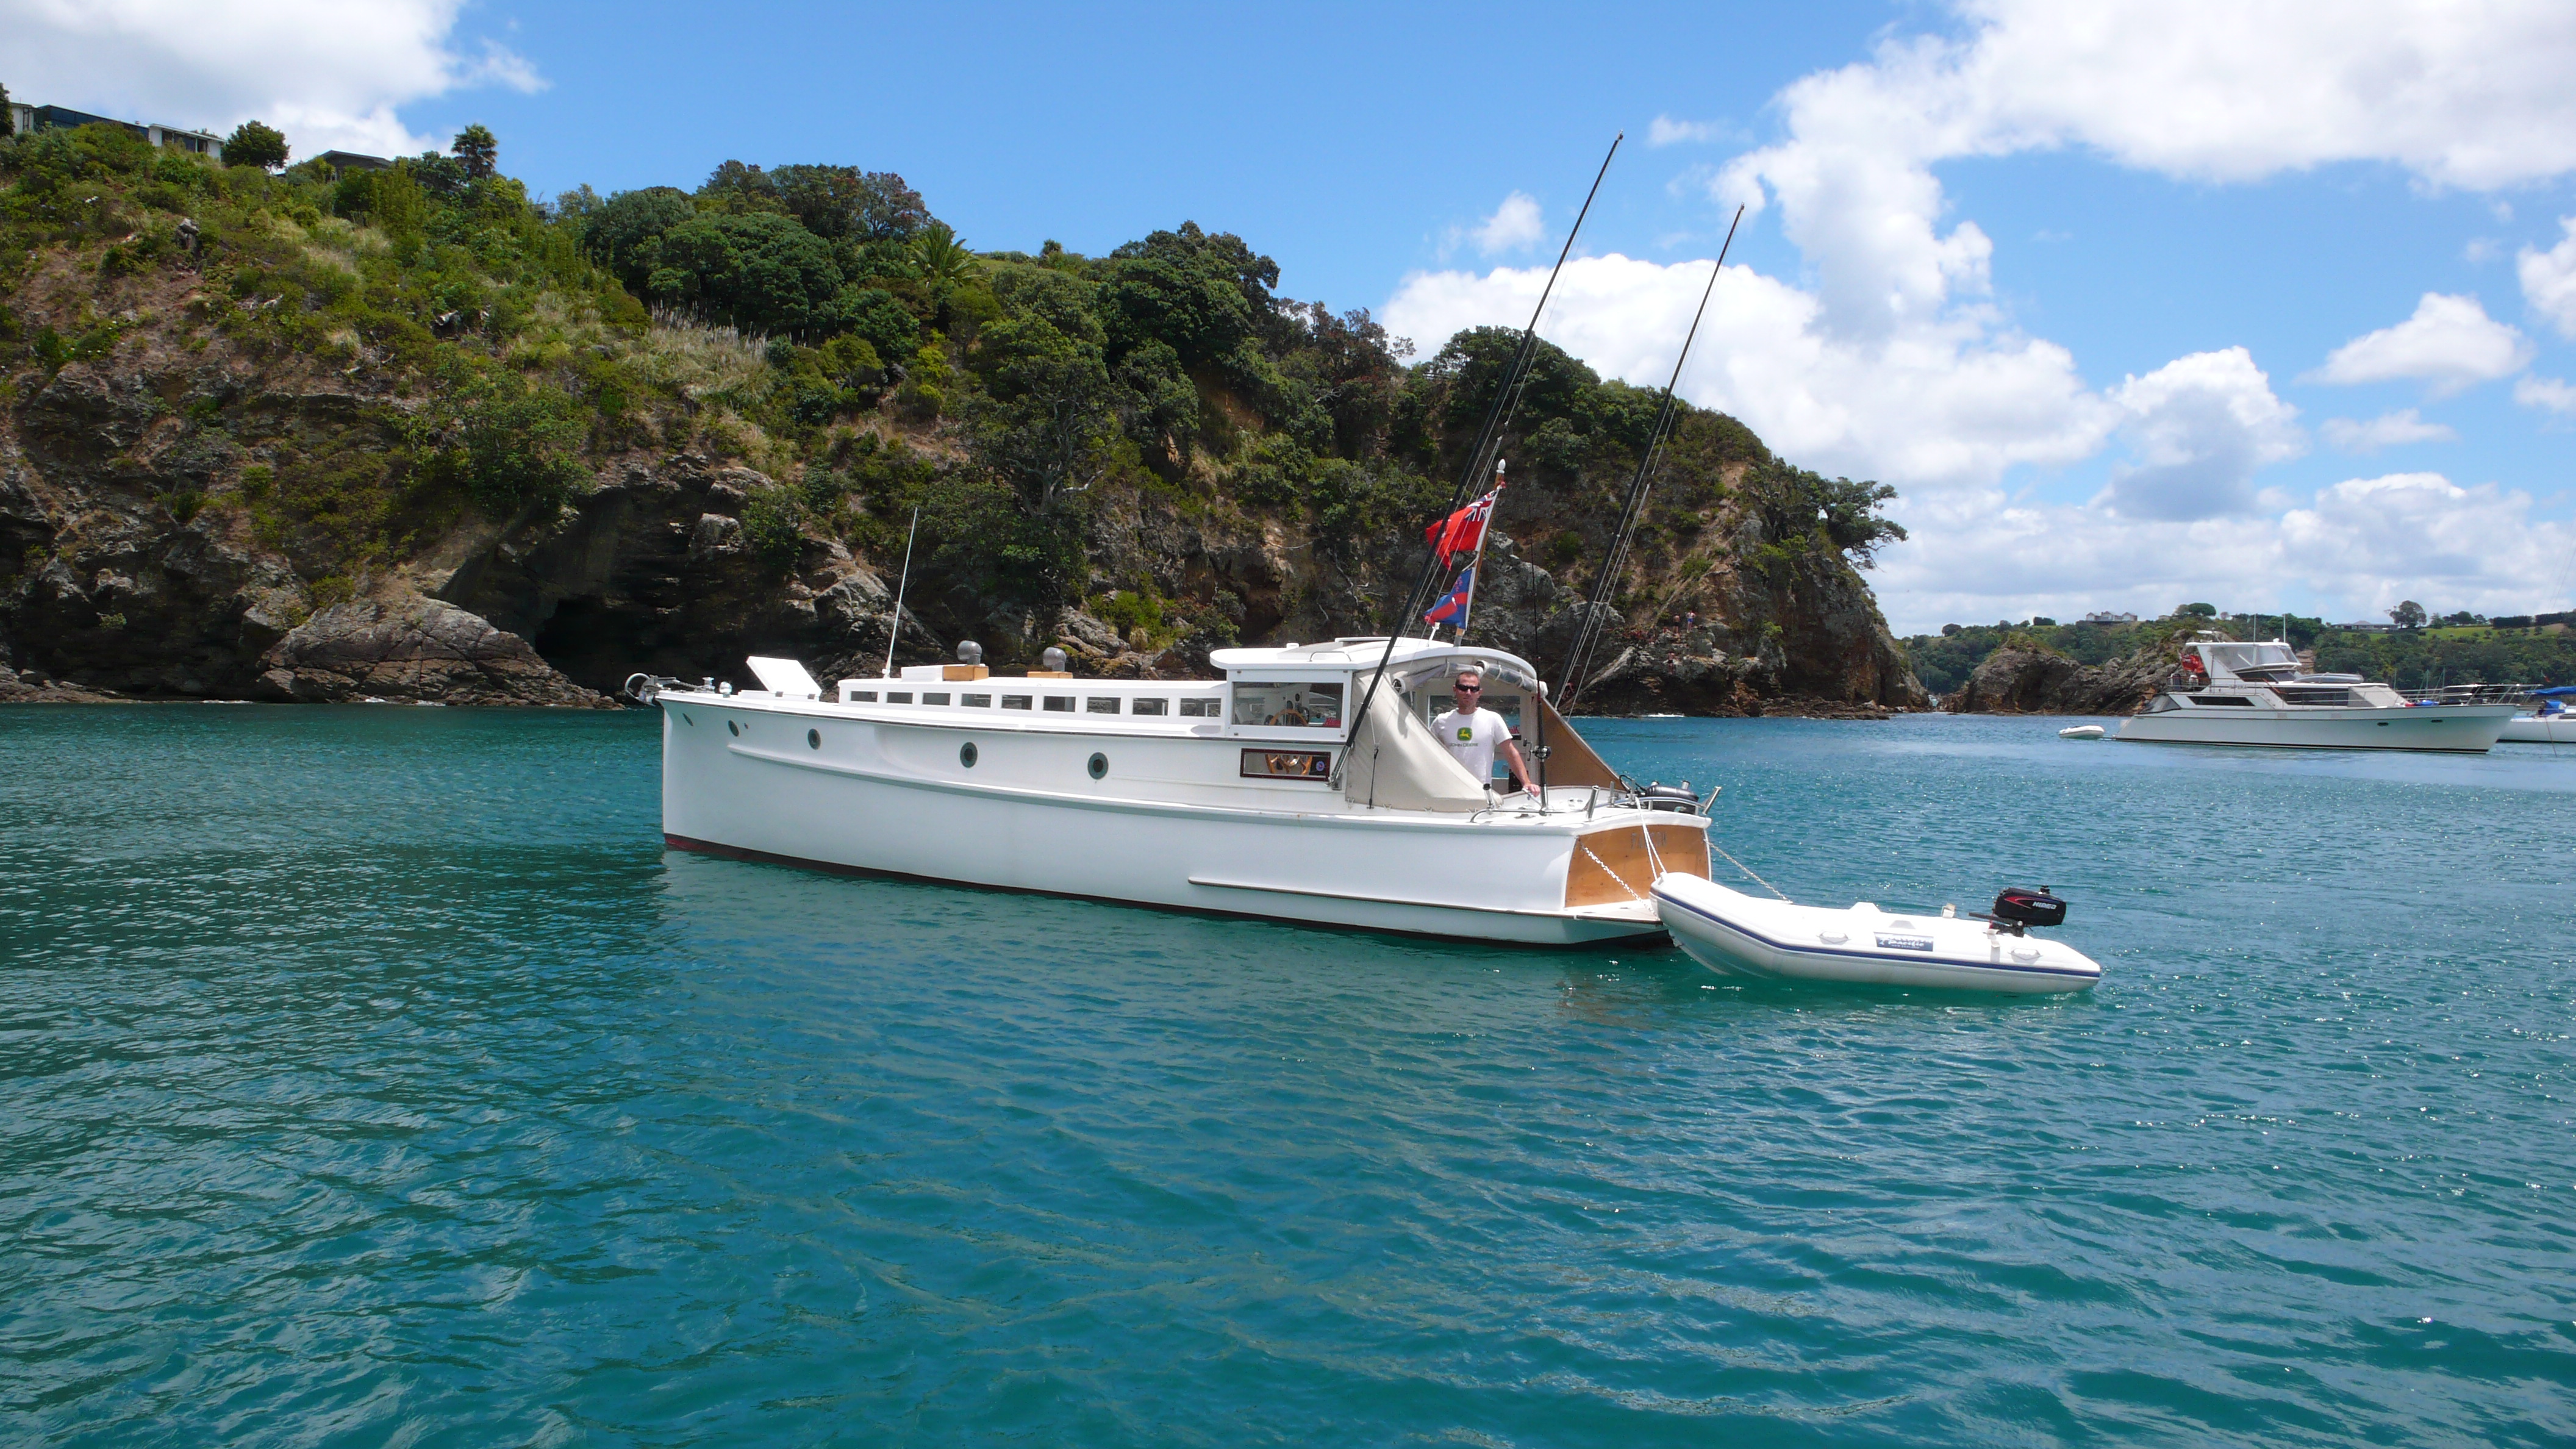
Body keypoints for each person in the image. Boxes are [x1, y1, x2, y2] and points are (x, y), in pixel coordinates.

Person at [1432, 668, 1530, 795]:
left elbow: (1511, 752)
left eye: (1473, 689)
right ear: (1455, 690)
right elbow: (1428, 752)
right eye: (1463, 688)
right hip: (1449, 791)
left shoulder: (1493, 719)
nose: (1468, 693)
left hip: (1481, 792)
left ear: (1479, 693)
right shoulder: (1440, 721)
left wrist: (1526, 782)